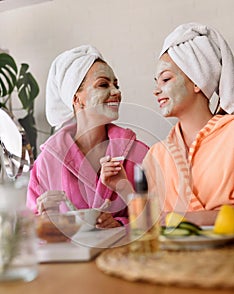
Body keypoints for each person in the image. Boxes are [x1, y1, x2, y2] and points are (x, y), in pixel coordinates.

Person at [101, 23, 234, 226]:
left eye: (165, 79)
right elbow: (150, 222)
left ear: (197, 81)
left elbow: (166, 221)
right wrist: (122, 186)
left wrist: (185, 219)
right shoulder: (157, 155)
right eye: (156, 82)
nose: (156, 90)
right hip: (171, 257)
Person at [27, 45, 149, 228]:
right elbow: (29, 230)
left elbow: (160, 217)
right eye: (103, 85)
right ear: (77, 99)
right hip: (70, 257)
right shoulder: (46, 163)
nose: (116, 92)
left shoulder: (138, 154)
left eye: (116, 85)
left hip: (125, 255)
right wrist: (43, 221)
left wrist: (120, 223)